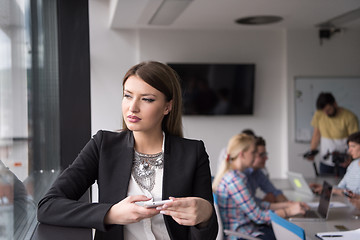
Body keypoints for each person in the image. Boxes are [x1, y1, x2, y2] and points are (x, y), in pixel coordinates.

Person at [37, 61, 218, 240]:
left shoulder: (194, 152)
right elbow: (48, 206)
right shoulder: (103, 145)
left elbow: (206, 233)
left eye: (147, 99)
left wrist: (206, 214)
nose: (133, 107)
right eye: (128, 96)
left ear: (167, 106)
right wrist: (111, 213)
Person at [213, 134, 308, 240]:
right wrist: (289, 211)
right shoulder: (234, 181)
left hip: (249, 229)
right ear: (242, 154)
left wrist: (287, 205)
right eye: (253, 152)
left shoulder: (237, 176)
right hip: (243, 235)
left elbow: (255, 204)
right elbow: (258, 216)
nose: (255, 157)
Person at [305, 92, 359, 176]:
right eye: (324, 111)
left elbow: (355, 141)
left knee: (343, 187)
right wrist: (312, 151)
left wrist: (350, 158)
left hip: (343, 162)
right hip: (325, 162)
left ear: (335, 104)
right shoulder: (319, 114)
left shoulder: (350, 117)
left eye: (328, 110)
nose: (326, 113)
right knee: (324, 186)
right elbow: (316, 135)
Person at [311, 131, 360, 196]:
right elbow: (341, 187)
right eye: (349, 147)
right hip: (348, 203)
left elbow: (356, 195)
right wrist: (325, 188)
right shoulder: (353, 165)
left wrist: (333, 190)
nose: (349, 150)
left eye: (353, 146)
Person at [245, 136, 288, 203]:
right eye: (262, 155)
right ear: (251, 155)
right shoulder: (242, 174)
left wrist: (290, 204)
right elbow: (249, 204)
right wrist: (264, 201)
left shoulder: (258, 172)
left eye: (265, 154)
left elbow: (274, 192)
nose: (266, 158)